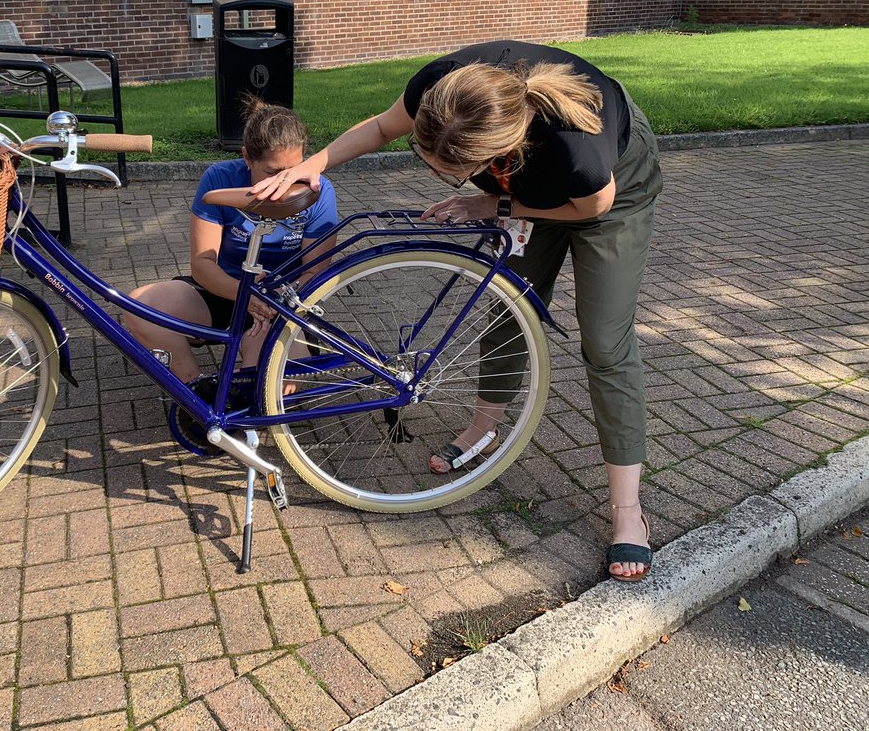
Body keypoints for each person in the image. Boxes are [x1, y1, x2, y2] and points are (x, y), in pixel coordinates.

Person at [250, 40, 663, 583]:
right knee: (505, 307)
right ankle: (483, 430)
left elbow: (590, 206)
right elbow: (379, 128)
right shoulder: (441, 90)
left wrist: (494, 203)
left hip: (611, 196)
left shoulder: (576, 150)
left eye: (450, 172)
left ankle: (628, 513)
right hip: (524, 187)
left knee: (605, 342)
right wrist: (309, 167)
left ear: (496, 157)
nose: (438, 176)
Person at [126, 96, 339, 392]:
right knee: (139, 307)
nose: (284, 184)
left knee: (263, 393)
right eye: (273, 173)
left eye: (294, 172)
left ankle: (255, 373)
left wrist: (277, 304)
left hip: (280, 304)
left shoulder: (319, 190)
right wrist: (247, 297)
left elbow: (314, 273)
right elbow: (202, 265)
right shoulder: (219, 177)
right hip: (224, 289)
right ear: (247, 158)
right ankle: (196, 392)